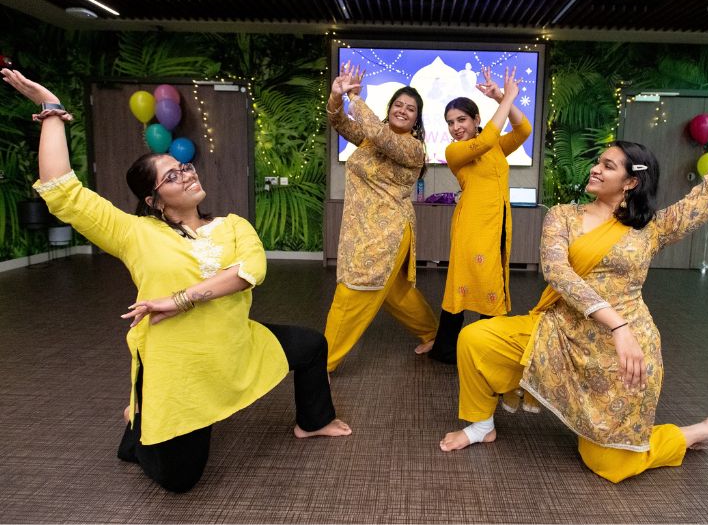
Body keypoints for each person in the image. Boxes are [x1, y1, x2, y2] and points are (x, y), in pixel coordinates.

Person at [2, 68, 351, 493]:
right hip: (180, 368)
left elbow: (249, 272)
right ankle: (142, 422)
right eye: (172, 176)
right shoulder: (135, 233)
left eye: (183, 166)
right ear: (153, 200)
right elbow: (62, 190)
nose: (186, 174)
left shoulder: (233, 224)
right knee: (179, 480)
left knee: (310, 344)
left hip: (234, 345)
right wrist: (52, 109)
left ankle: (314, 422)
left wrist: (181, 299)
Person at [438, 83, 708, 483]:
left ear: (630, 182)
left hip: (621, 352)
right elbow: (558, 272)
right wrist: (617, 324)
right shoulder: (563, 216)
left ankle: (690, 434)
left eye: (609, 165)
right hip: (561, 329)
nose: (596, 167)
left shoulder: (652, 228)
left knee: (609, 464)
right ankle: (480, 424)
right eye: (599, 161)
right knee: (475, 340)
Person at [324, 62, 438, 372]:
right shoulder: (369, 139)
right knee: (394, 293)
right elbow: (337, 120)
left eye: (410, 108)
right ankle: (435, 334)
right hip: (359, 228)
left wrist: (355, 98)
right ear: (390, 108)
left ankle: (323, 366)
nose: (403, 110)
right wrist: (338, 96)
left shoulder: (414, 148)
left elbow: (379, 132)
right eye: (398, 104)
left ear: (417, 119)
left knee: (354, 290)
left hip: (386, 232)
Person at [419, 66, 532, 365]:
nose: (456, 127)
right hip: (473, 225)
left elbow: (524, 130)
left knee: (490, 281)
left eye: (462, 120)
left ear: (476, 119)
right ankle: (457, 350)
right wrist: (507, 98)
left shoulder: (494, 146)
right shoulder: (455, 151)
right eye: (450, 122)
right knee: (474, 283)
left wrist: (500, 98)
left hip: (498, 224)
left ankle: (479, 347)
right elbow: (483, 141)